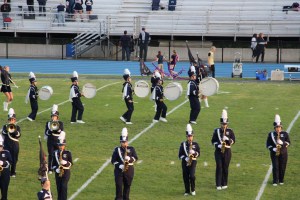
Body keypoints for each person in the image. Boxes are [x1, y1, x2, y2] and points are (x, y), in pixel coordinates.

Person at [211, 109, 235, 190]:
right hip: (218, 151)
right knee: (219, 167)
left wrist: (227, 139)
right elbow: (213, 141)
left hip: (227, 152)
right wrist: (218, 145)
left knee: (225, 167)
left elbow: (233, 141)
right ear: (220, 123)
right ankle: (218, 184)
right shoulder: (216, 131)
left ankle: (224, 183)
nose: (224, 125)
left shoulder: (230, 131)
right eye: (222, 124)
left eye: (225, 124)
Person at [111, 127, 138, 200]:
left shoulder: (131, 149)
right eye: (123, 142)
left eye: (125, 141)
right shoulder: (117, 150)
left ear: (127, 141)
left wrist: (130, 159)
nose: (124, 143)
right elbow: (113, 161)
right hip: (119, 171)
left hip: (129, 171)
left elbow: (136, 157)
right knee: (119, 186)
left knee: (127, 187)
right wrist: (119, 165)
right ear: (120, 142)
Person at [266, 114, 290, 186]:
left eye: (279, 127)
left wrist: (282, 143)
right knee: (275, 166)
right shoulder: (271, 134)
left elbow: (288, 142)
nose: (278, 128)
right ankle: (275, 181)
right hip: (274, 153)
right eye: (276, 127)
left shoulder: (285, 134)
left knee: (282, 166)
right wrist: (272, 148)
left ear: (281, 127)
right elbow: (268, 144)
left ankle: (281, 179)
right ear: (274, 127)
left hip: (283, 153)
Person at [178, 124, 200, 196]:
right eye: (188, 136)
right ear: (186, 137)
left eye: (191, 136)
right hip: (185, 163)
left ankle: (193, 189)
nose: (190, 138)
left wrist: (194, 153)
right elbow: (180, 155)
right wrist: (185, 158)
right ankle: (187, 190)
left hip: (193, 161)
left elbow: (199, 154)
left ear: (193, 136)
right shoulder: (183, 144)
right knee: (185, 176)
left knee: (192, 176)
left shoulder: (196, 144)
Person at [51, 131, 72, 200]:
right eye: (60, 145)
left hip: (66, 172)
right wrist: (55, 169)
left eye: (62, 145)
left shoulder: (68, 153)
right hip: (58, 173)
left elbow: (71, 164)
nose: (61, 146)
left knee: (64, 186)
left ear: (64, 145)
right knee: (59, 187)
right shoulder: (55, 153)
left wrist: (65, 163)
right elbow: (53, 164)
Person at [45, 104, 64, 174]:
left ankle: (58, 166)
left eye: (55, 116)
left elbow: (62, 132)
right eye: (52, 116)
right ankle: (50, 168)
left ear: (57, 117)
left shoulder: (60, 123)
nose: (53, 118)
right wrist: (50, 130)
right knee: (51, 154)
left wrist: (56, 128)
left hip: (58, 141)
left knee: (59, 154)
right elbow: (46, 133)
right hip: (50, 141)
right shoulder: (48, 123)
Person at [2, 108, 21, 178]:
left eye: (13, 119)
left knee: (14, 158)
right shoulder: (5, 126)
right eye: (10, 119)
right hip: (7, 144)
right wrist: (8, 128)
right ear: (8, 120)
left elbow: (18, 135)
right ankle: (6, 171)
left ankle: (13, 172)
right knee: (6, 158)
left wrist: (13, 130)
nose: (11, 121)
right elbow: (3, 133)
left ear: (15, 120)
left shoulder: (17, 127)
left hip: (15, 145)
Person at [0, 136, 12, 200]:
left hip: (5, 174)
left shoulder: (7, 152)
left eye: (0, 146)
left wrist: (3, 163)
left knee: (4, 191)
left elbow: (10, 162)